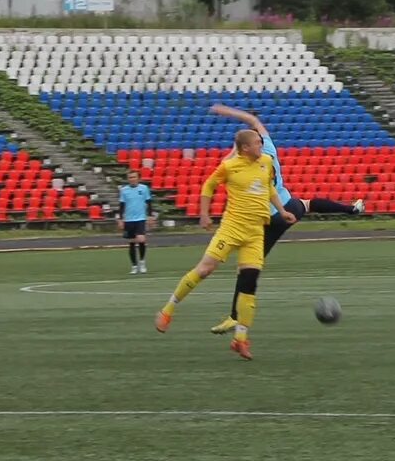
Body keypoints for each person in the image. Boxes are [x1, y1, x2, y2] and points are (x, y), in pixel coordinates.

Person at [203, 103, 365, 335]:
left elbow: (225, 165)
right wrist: (233, 113)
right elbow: (255, 123)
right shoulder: (269, 146)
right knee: (308, 204)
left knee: (247, 270)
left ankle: (234, 318)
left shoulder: (241, 159)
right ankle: (351, 209)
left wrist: (229, 129)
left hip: (264, 218)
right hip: (287, 208)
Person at [155, 128, 275, 360]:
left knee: (249, 282)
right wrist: (204, 214)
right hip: (231, 229)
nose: (262, 146)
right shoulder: (230, 166)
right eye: (258, 143)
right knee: (205, 269)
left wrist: (281, 211)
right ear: (245, 148)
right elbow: (208, 186)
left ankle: (240, 339)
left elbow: (268, 188)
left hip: (255, 232)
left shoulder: (266, 162)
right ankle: (168, 309)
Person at [119, 171, 153, 275]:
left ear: (138, 178)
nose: (132, 179)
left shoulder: (144, 188)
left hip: (140, 218)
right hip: (129, 220)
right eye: (130, 177)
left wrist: (150, 216)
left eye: (134, 177)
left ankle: (142, 262)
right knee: (132, 243)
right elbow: (121, 205)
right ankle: (134, 265)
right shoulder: (124, 190)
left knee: (141, 239)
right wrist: (120, 219)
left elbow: (149, 202)